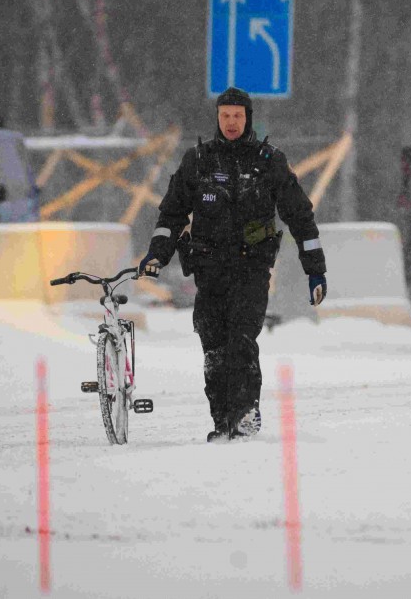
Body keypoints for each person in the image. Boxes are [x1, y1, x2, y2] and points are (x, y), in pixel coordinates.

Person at [137, 87, 328, 443]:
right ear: (217, 118)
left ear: (248, 118)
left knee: (241, 339)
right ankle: (222, 420)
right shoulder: (197, 161)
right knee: (214, 348)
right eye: (225, 116)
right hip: (208, 270)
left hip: (251, 268)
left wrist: (315, 268)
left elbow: (300, 217)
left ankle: (244, 413)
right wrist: (156, 255)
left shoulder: (269, 162)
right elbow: (172, 214)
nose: (231, 123)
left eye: (237, 116)